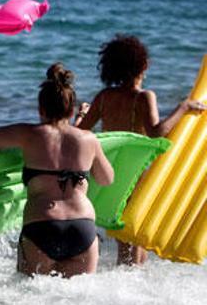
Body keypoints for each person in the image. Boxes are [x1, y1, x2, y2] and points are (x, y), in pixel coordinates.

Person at [0, 63, 113, 278]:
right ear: (72, 110)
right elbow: (106, 178)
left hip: (42, 225)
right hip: (82, 227)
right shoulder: (88, 139)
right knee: (78, 302)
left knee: (30, 297)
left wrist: (12, 143)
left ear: (40, 109)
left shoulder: (28, 134)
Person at [75, 34, 207, 265]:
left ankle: (127, 280)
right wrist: (183, 107)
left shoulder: (104, 97)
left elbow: (81, 132)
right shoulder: (144, 97)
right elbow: (157, 131)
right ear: (143, 65)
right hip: (134, 173)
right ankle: (129, 286)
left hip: (107, 172)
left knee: (124, 236)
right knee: (133, 236)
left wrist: (81, 115)